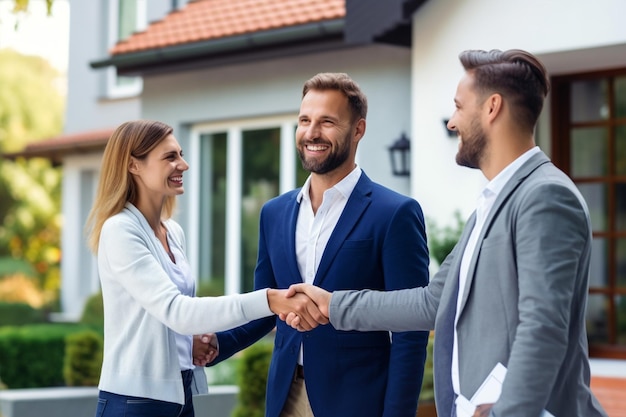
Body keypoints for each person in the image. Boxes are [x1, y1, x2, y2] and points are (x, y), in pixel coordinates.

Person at [286, 50, 608, 417]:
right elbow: (431, 302)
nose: (452, 122)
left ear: (492, 108)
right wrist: (331, 304)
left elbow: (543, 328)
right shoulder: (491, 204)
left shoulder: (545, 196)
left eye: (458, 106)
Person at [205, 73, 430, 417]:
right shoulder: (275, 213)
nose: (311, 133)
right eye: (304, 121)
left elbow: (410, 329)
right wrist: (216, 344)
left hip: (358, 401)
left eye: (327, 122)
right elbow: (266, 304)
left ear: (358, 130)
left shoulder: (395, 213)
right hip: (286, 396)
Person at [85, 119, 325, 417]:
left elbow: (165, 319)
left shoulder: (172, 232)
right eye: (170, 157)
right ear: (134, 165)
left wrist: (193, 344)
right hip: (133, 401)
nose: (183, 165)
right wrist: (269, 299)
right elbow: (177, 312)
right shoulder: (120, 230)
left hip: (179, 392)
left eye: (181, 154)